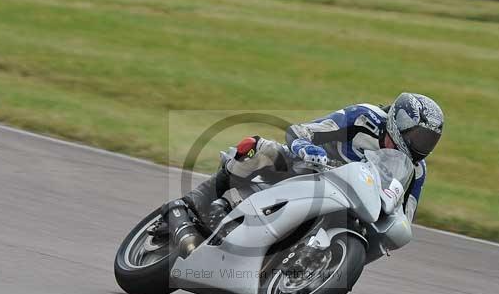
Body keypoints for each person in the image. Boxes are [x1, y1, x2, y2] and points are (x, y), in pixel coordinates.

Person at [176, 93, 444, 233]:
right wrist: (306, 147)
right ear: (400, 122)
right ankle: (197, 200)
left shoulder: (416, 170)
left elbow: (405, 216)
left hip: (350, 204)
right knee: (262, 150)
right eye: (419, 136)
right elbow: (305, 130)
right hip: (310, 168)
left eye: (429, 140)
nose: (422, 145)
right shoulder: (366, 117)